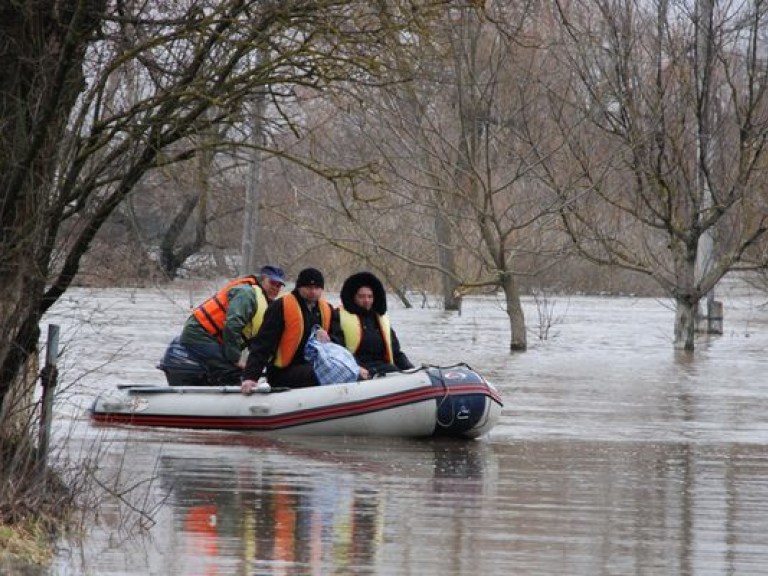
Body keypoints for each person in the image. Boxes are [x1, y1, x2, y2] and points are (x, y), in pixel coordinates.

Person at [177, 265, 286, 385]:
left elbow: (261, 341)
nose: (275, 288)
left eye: (279, 285)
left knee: (242, 370)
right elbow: (232, 326)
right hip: (199, 334)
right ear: (262, 279)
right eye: (272, 283)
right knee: (231, 371)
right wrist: (236, 358)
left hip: (213, 338)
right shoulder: (246, 294)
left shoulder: (266, 304)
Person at [241, 267, 336, 392]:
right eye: (308, 288)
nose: (313, 292)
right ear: (299, 287)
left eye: (317, 288)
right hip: (283, 371)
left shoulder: (327, 309)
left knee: (336, 369)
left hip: (314, 365)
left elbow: (337, 340)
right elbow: (263, 344)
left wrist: (329, 340)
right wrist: (250, 377)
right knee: (318, 372)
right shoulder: (280, 307)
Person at [330, 271, 414, 376]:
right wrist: (358, 368)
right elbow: (338, 351)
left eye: (370, 297)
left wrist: (412, 370)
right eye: (361, 297)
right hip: (356, 370)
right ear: (353, 297)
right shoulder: (338, 317)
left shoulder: (380, 319)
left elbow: (396, 353)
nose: (366, 300)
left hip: (385, 368)